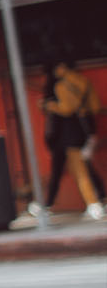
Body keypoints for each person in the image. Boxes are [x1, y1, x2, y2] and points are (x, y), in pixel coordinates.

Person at [39, 61, 105, 220]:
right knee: (78, 167)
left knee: (79, 169)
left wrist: (50, 106)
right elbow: (95, 107)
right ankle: (99, 197)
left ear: (62, 66)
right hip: (86, 128)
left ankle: (93, 203)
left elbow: (67, 108)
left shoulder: (61, 86)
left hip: (69, 133)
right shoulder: (83, 81)